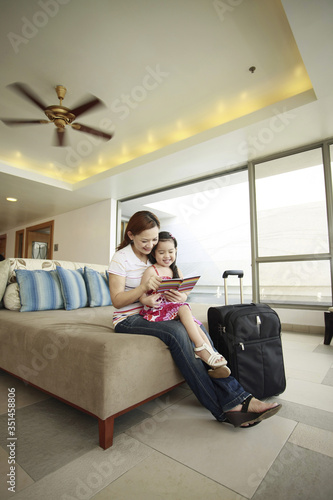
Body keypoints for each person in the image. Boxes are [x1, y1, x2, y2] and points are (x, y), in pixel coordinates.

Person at [108, 210, 281, 427]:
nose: (150, 244)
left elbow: (175, 281)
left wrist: (181, 295)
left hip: (160, 312)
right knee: (179, 333)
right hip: (128, 319)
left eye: (154, 239)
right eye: (145, 240)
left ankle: (240, 398)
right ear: (130, 235)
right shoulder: (121, 258)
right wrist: (143, 288)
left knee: (197, 329)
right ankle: (224, 410)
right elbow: (116, 300)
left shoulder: (157, 254)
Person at [139, 231, 230, 377]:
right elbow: (141, 295)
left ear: (176, 251)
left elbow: (184, 293)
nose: (167, 256)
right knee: (184, 309)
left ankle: (212, 358)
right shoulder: (151, 270)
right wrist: (146, 300)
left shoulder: (176, 270)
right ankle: (200, 348)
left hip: (173, 307)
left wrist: (182, 296)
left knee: (195, 324)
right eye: (161, 252)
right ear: (154, 253)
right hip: (156, 310)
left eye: (170, 251)